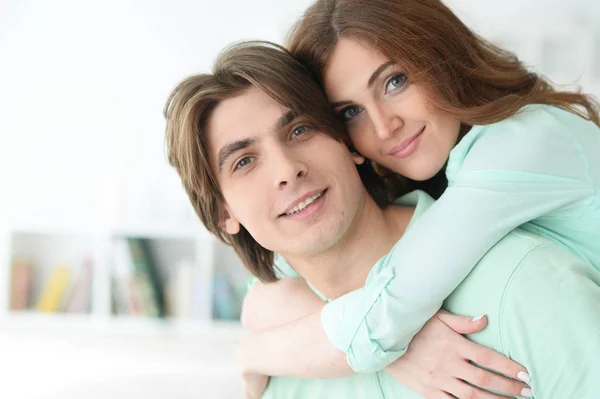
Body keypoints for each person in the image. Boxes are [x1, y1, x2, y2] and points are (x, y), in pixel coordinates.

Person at [164, 41, 600, 399]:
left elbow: (378, 320)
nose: (286, 170)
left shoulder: (522, 283)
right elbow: (266, 302)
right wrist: (254, 351)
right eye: (244, 161)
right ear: (223, 215)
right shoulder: (285, 368)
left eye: (299, 130)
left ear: (348, 143)